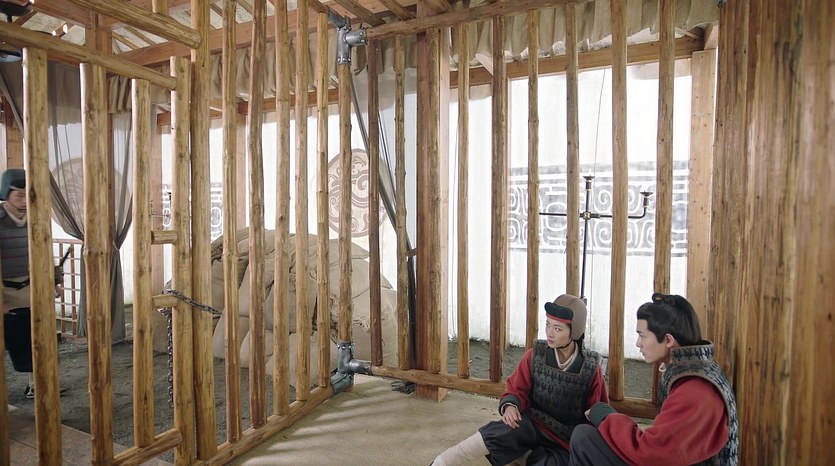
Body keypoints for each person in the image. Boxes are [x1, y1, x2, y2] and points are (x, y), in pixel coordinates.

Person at [432, 294, 609, 466]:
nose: (549, 333)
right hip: (532, 423)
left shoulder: (590, 368)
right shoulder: (535, 355)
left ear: (574, 332)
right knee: (502, 430)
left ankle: (523, 455)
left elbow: (597, 411)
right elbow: (517, 388)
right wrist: (511, 406)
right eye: (547, 324)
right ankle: (445, 460)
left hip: (564, 438)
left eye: (557, 329)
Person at [569, 292, 739, 466]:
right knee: (586, 437)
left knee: (583, 439)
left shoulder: (695, 390)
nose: (638, 343)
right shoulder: (693, 370)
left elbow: (652, 453)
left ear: (668, 340)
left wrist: (607, 418)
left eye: (642, 335)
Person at [1, 168, 36, 398]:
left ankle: (35, 385)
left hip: (30, 287)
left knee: (34, 339)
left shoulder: (36, 217)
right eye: (19, 195)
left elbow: (44, 252)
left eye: (27, 195)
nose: (24, 201)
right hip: (4, 289)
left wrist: (54, 281)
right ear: (7, 194)